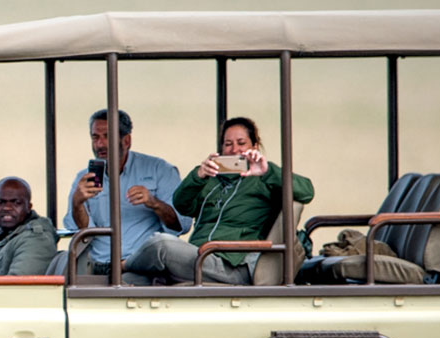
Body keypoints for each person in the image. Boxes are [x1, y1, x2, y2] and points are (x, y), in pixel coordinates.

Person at [126, 116, 314, 285]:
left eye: (241, 143)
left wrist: (268, 171)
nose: (234, 150)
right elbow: (181, 205)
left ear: (255, 147)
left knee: (162, 244)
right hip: (200, 257)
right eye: (228, 144)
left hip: (231, 265)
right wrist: (198, 176)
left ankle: (124, 263)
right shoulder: (212, 180)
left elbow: (306, 192)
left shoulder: (267, 179)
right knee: (127, 281)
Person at [63, 109, 192, 275]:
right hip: (97, 266)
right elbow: (84, 233)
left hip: (141, 268)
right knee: (61, 272)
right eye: (95, 137)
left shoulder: (159, 170)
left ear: (126, 141)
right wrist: (77, 203)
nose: (100, 144)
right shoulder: (84, 178)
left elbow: (182, 224)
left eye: (107, 136)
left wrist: (154, 203)